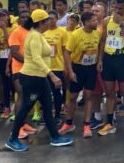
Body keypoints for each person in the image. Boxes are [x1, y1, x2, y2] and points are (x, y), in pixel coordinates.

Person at [5, 9, 74, 152]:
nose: (50, 22)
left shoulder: (38, 35)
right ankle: (12, 139)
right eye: (47, 20)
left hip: (40, 78)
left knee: (48, 107)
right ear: (41, 22)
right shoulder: (35, 36)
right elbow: (36, 58)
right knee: (25, 108)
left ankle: (55, 137)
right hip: (32, 78)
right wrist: (52, 75)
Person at [97, 0, 124, 137]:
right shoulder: (107, 20)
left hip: (122, 58)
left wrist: (121, 24)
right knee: (109, 93)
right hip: (108, 58)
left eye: (120, 9)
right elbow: (103, 41)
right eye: (115, 8)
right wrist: (100, 60)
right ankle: (109, 123)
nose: (117, 11)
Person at [64, 11, 102, 138]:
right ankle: (69, 123)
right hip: (77, 67)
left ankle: (86, 125)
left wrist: (99, 61)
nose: (96, 22)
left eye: (96, 20)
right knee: (73, 96)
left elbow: (100, 46)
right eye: (93, 21)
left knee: (88, 96)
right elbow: (67, 53)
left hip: (91, 68)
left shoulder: (97, 33)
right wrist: (70, 71)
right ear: (86, 22)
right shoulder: (76, 34)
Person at [8, 10, 38, 139]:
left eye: (27, 17)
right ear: (18, 19)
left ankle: (23, 123)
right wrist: (29, 62)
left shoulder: (32, 32)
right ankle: (18, 128)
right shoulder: (16, 32)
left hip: (32, 70)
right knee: (20, 95)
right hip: (19, 70)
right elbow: (14, 52)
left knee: (27, 97)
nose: (25, 19)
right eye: (22, 17)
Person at [43, 10, 68, 126]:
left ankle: (57, 114)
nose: (50, 21)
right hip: (44, 66)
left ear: (57, 19)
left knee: (56, 92)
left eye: (52, 18)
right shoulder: (43, 31)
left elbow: (65, 51)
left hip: (57, 66)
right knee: (44, 93)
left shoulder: (62, 32)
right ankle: (46, 115)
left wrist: (66, 67)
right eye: (48, 19)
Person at [0, 10, 13, 119]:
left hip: (13, 57)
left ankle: (16, 108)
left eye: (3, 15)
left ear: (8, 16)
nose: (1, 18)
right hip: (2, 56)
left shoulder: (14, 28)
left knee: (13, 84)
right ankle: (6, 107)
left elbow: (11, 43)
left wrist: (5, 28)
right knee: (5, 84)